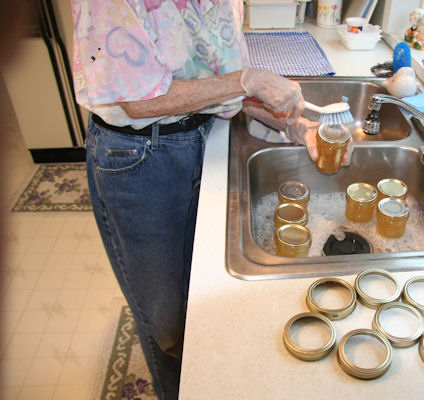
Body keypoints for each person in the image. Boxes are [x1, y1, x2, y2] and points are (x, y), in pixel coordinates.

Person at [70, 1, 351, 399]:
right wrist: (248, 80)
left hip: (206, 133)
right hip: (140, 157)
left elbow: (207, 79)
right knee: (167, 320)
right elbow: (137, 99)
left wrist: (292, 122)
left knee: (203, 289)